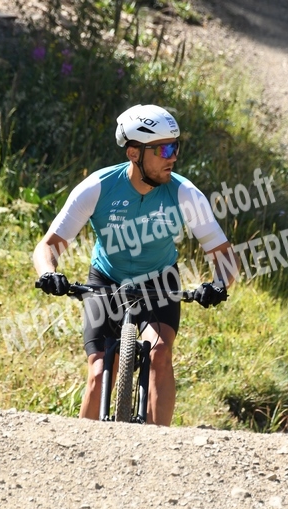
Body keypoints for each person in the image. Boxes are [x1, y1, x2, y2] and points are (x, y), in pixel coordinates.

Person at [33, 104, 237, 426]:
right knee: (99, 372)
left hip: (160, 282)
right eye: (163, 150)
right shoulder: (98, 187)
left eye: (176, 147)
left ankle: (158, 443)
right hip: (107, 280)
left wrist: (219, 284)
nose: (173, 157)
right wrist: (49, 273)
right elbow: (48, 246)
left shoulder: (185, 194)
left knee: (159, 355)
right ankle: (83, 443)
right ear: (133, 153)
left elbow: (224, 254)